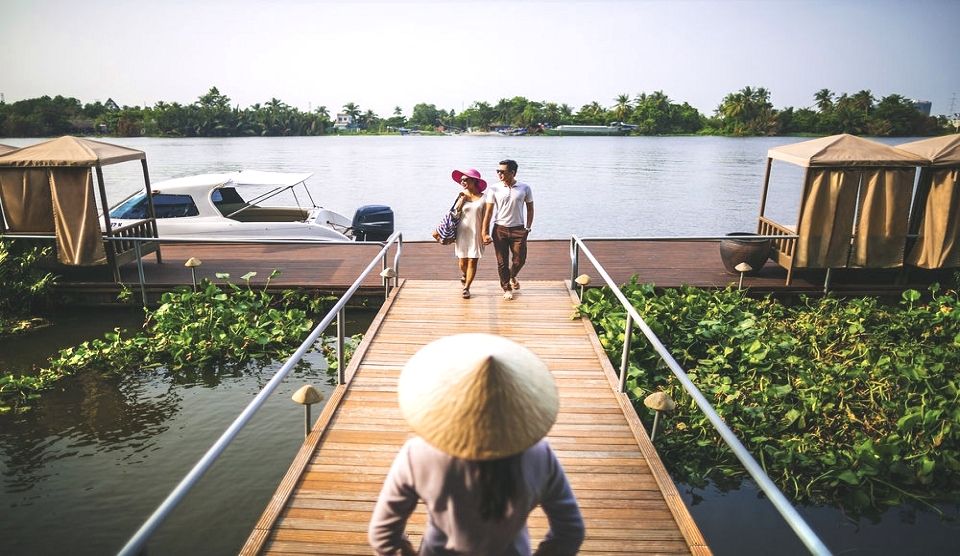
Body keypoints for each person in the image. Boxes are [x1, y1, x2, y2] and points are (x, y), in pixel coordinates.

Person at [369, 333, 585, 556]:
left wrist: (406, 550)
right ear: (517, 402)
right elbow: (570, 532)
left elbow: (382, 535)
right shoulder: (539, 455)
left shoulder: (418, 454)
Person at [481, 159, 534, 301]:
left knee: (520, 259)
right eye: (498, 171)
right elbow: (489, 212)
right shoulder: (494, 188)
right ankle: (507, 288)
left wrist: (528, 227)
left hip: (519, 229)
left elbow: (530, 208)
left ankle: (512, 276)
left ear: (513, 172)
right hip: (500, 229)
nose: (499, 174)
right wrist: (484, 232)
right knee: (502, 262)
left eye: (502, 172)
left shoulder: (525, 188)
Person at [450, 168, 487, 299]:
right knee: (462, 262)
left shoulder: (484, 198)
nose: (462, 182)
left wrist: (485, 233)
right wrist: (461, 201)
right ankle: (465, 274)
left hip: (476, 233)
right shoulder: (461, 195)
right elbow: (454, 215)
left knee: (473, 260)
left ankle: (467, 287)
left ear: (474, 181)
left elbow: (487, 218)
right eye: (461, 180)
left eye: (465, 180)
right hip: (462, 232)